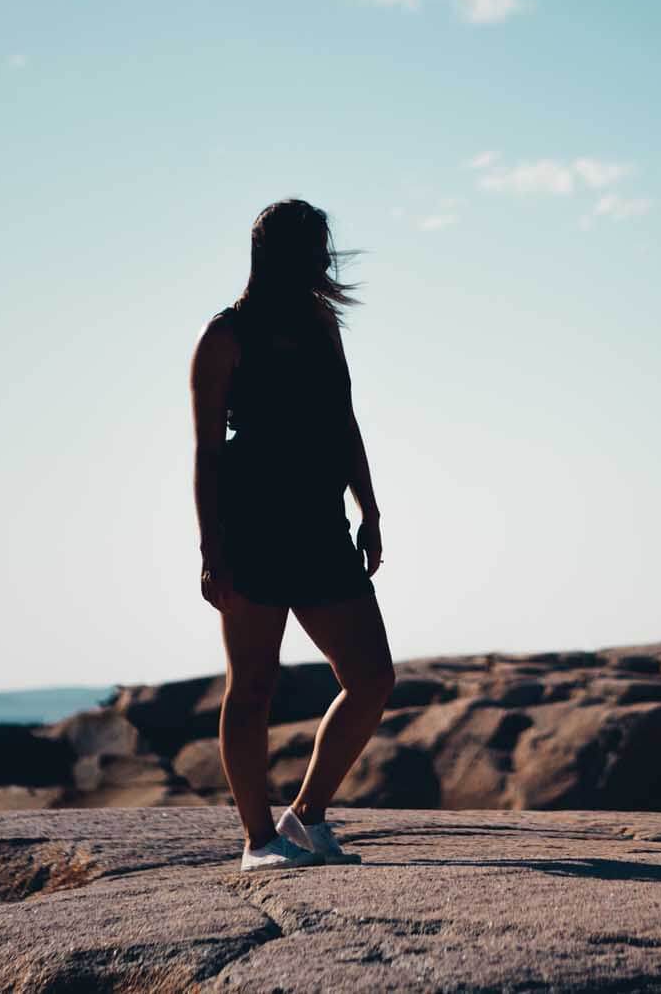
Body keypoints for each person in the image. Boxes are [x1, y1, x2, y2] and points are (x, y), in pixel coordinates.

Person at [189, 199, 395, 873]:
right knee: (252, 684)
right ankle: (257, 841)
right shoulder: (225, 335)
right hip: (251, 525)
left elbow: (345, 421)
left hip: (320, 523)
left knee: (371, 677)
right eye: (315, 248)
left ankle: (304, 815)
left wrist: (369, 507)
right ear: (283, 253)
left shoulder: (320, 323)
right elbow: (207, 453)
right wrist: (209, 550)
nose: (323, 260)